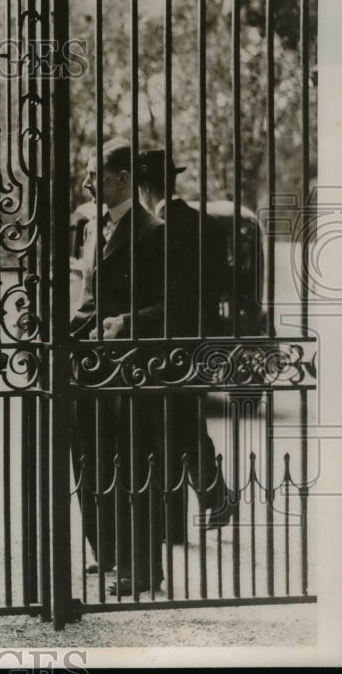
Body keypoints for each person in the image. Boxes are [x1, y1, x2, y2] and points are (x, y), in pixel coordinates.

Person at [70, 138, 166, 596]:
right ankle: (107, 554)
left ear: (123, 179)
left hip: (132, 371)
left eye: (95, 175)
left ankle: (141, 568)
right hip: (91, 368)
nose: (87, 182)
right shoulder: (92, 227)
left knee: (132, 468)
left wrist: (125, 323)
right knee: (91, 463)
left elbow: (174, 309)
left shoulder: (153, 231)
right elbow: (89, 303)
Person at [136, 149, 235, 535]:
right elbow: (220, 284)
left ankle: (209, 501)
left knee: (176, 425)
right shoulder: (206, 223)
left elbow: (162, 294)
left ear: (144, 187)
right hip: (200, 339)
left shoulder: (157, 226)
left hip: (166, 341)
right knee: (182, 422)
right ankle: (196, 508)